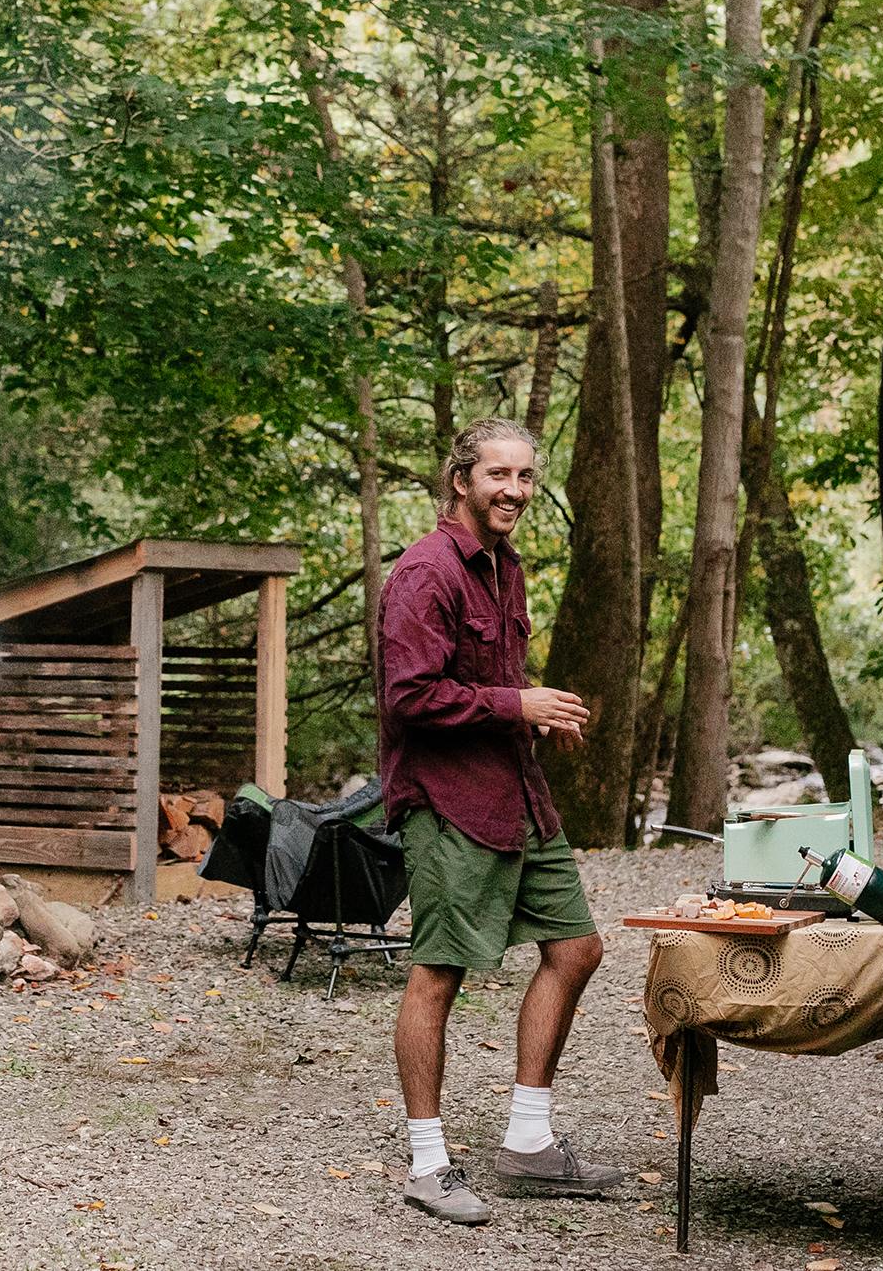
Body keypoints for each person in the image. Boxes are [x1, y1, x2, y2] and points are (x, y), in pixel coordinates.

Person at [379, 416, 625, 1225]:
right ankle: (427, 1164)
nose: (514, 490)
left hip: (516, 793)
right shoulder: (424, 574)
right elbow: (409, 696)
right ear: (461, 480)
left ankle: (527, 1141)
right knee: (440, 973)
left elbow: (488, 681)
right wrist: (513, 703)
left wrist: (533, 716)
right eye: (498, 476)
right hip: (449, 803)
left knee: (577, 948)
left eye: (524, 476)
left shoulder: (504, 569)